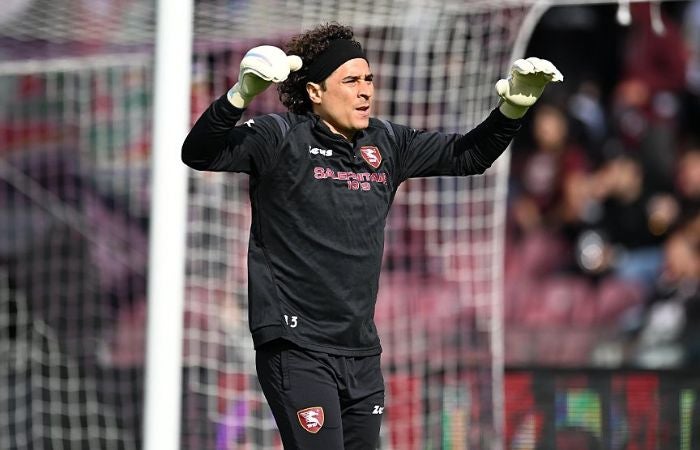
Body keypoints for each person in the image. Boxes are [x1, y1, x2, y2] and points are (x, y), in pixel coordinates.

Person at [182, 22, 562, 450]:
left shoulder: (387, 142)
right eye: (350, 80)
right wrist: (240, 95)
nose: (365, 90)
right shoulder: (279, 136)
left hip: (361, 353)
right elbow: (198, 152)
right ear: (315, 92)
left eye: (368, 79)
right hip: (297, 346)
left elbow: (469, 156)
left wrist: (511, 111)